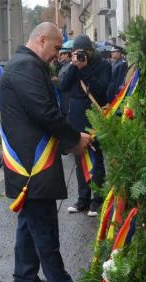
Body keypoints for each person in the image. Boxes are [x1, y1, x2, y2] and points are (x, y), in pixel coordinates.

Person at [0, 22, 92, 282]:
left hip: (29, 162)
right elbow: (46, 112)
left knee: (30, 222)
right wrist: (75, 138)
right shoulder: (25, 67)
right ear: (41, 40)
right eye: (55, 48)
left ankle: (25, 277)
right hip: (33, 165)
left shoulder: (24, 65)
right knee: (44, 227)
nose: (57, 55)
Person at [59, 34, 111, 217]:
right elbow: (63, 87)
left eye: (82, 52)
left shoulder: (102, 65)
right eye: (75, 53)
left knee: (96, 159)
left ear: (90, 51)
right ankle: (83, 199)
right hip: (77, 118)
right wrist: (74, 67)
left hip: (95, 117)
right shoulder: (72, 65)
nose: (79, 55)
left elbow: (101, 89)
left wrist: (85, 68)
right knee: (79, 158)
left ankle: (97, 200)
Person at [56, 47, 72, 116]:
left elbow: (67, 82)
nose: (60, 56)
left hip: (68, 99)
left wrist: (57, 80)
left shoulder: (70, 66)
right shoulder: (64, 65)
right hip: (63, 98)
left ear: (67, 54)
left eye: (62, 54)